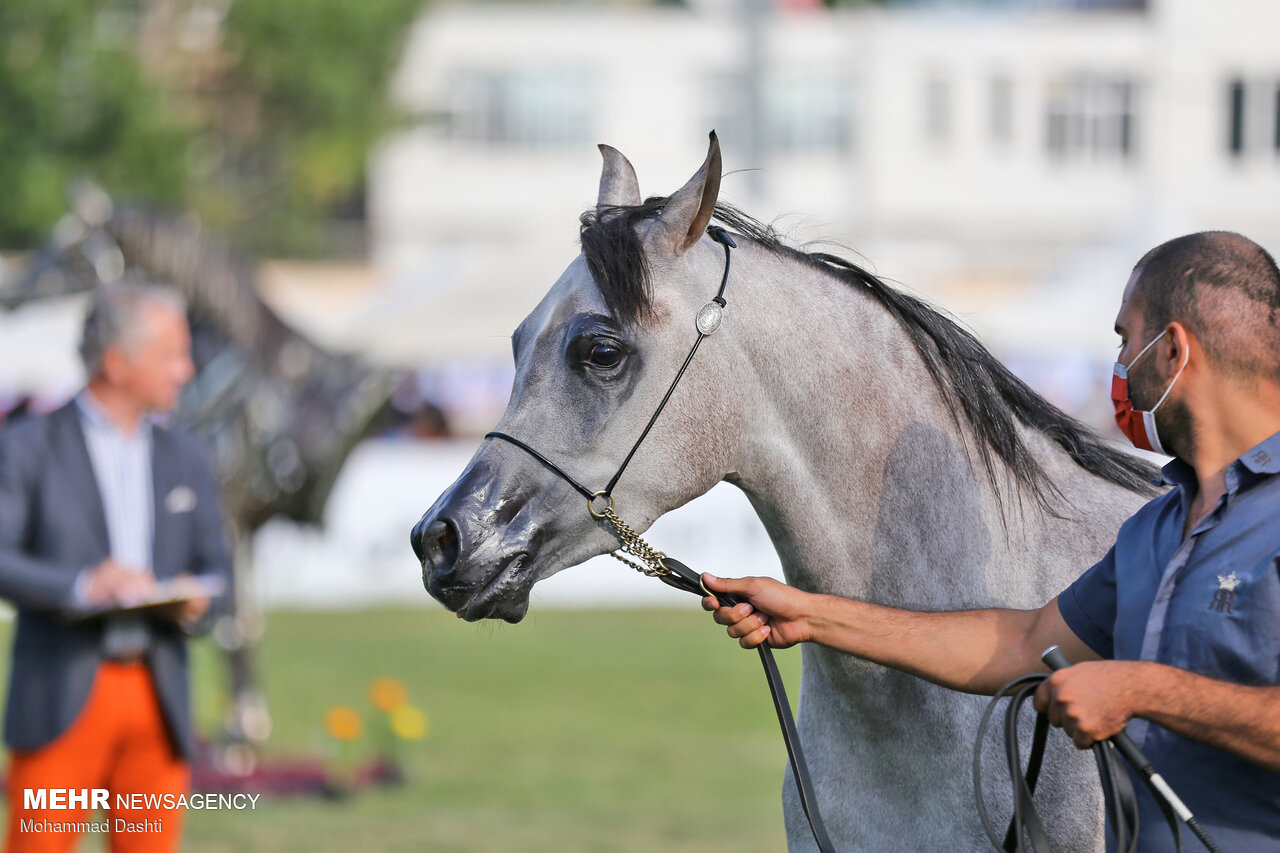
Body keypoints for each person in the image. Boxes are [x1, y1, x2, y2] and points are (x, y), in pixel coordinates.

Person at [703, 231, 1280, 851]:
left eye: (1125, 337)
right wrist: (814, 616)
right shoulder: (1157, 529)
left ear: (1171, 351)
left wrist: (1138, 689)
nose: (1119, 362)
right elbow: (1026, 643)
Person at [0, 282, 232, 853]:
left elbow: (218, 569)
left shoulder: (186, 455)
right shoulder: (29, 446)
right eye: (170, 355)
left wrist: (200, 599)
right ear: (116, 362)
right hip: (61, 692)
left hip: (159, 695)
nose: (185, 371)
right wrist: (83, 586)